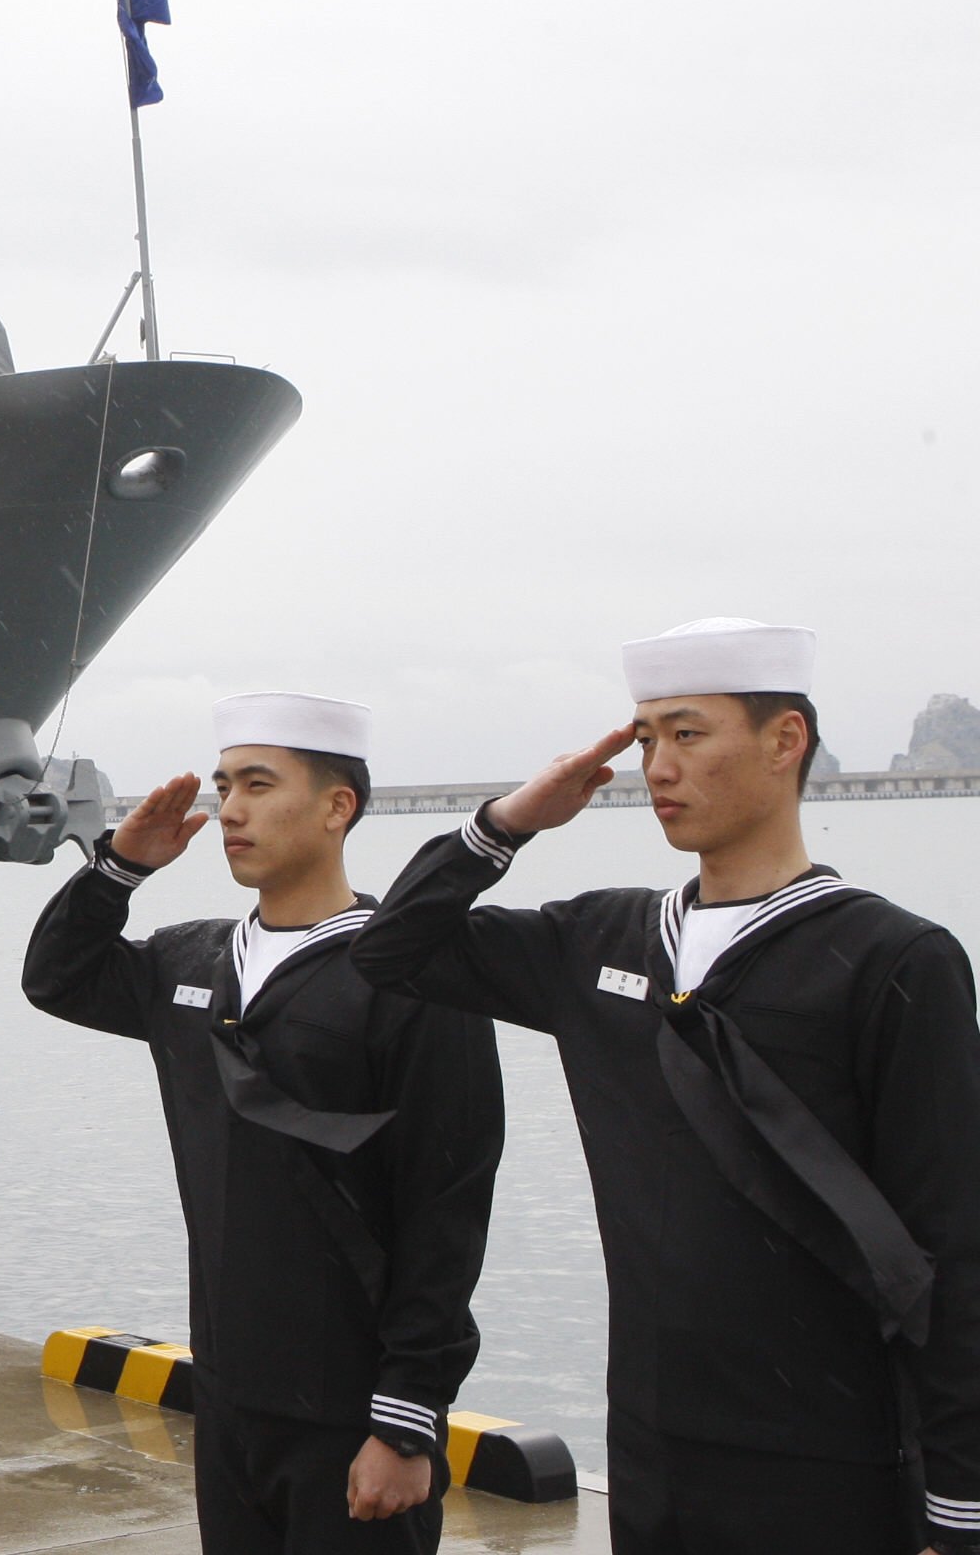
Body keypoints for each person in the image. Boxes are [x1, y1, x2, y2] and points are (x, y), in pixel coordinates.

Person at [352, 620, 980, 1555]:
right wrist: (509, 822)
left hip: (833, 1460)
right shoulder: (601, 940)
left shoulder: (896, 960)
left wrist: (960, 1503)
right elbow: (393, 950)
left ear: (784, 742)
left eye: (687, 734)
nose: (657, 766)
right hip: (653, 1448)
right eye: (645, 739)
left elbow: (953, 1238)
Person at [26, 694, 504, 1553]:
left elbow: (448, 1201)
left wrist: (405, 1421)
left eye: (258, 784)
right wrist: (117, 870)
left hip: (352, 1404)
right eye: (223, 785)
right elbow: (57, 977)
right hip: (232, 1392)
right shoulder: (192, 959)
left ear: (337, 806)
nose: (231, 809)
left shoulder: (408, 976)